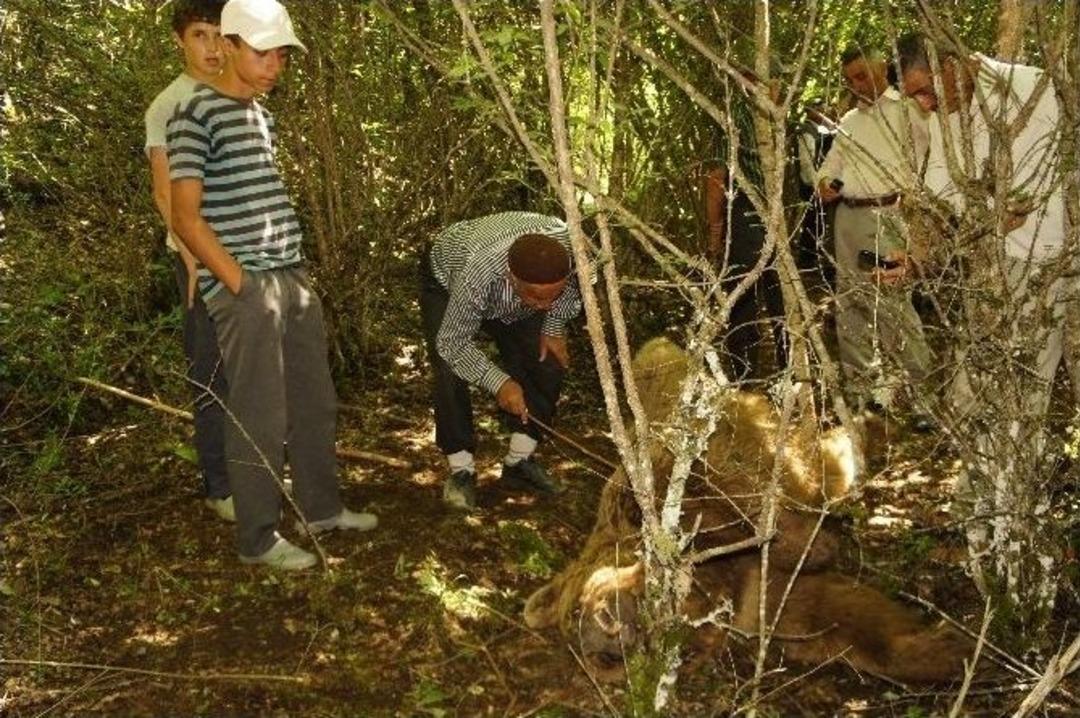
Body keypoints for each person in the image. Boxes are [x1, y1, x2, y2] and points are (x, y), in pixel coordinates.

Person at [168, 0, 376, 570]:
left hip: (290, 275)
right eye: (263, 52)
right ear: (228, 46)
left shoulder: (260, 114)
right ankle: (258, 539)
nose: (274, 64)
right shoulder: (194, 113)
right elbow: (185, 216)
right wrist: (239, 283)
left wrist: (287, 277)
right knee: (260, 410)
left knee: (315, 400)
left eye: (281, 53)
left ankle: (322, 509)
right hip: (246, 284)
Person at [895, 33, 1067, 424]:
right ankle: (991, 478)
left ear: (953, 65)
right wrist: (916, 258)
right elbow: (939, 192)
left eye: (925, 91)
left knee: (1024, 390)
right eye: (914, 98)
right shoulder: (943, 114)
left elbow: (1033, 193)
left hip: (1055, 258)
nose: (924, 105)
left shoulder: (1030, 88)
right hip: (1000, 263)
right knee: (979, 387)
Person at [420, 212, 582, 511]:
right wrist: (500, 382)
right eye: (537, 297)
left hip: (515, 290)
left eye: (552, 297)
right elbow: (453, 343)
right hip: (447, 279)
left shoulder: (572, 250)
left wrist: (553, 324)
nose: (545, 305)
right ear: (511, 277)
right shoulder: (476, 271)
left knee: (547, 361)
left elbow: (572, 289)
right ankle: (461, 470)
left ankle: (519, 461)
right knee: (447, 368)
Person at [144, 0, 233, 522]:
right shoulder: (168, 105)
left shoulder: (236, 95)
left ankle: (254, 469)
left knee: (254, 366)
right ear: (181, 40)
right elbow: (165, 195)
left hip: (247, 253)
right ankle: (220, 486)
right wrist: (194, 259)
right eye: (201, 35)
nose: (213, 47)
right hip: (199, 256)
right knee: (210, 367)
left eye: (221, 35)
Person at [816, 45, 933, 422]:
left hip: (889, 215)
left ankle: (921, 400)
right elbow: (829, 166)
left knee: (895, 306)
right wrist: (824, 184)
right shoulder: (848, 120)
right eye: (850, 80)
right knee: (850, 304)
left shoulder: (908, 110)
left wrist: (920, 226)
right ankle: (862, 396)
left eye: (863, 75)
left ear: (882, 68)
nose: (857, 85)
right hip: (847, 218)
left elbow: (932, 163)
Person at [704, 85, 787, 384]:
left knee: (749, 298)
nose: (781, 89)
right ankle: (767, 378)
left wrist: (715, 233)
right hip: (753, 213)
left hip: (761, 216)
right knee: (762, 296)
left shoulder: (766, 114)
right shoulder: (737, 115)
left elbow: (715, 179)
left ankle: (752, 378)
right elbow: (718, 177)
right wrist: (718, 228)